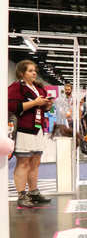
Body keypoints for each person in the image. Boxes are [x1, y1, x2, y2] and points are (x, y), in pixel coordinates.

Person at [8, 60, 53, 208]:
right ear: (22, 73)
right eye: (30, 70)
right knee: (23, 163)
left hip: (38, 128)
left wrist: (47, 105)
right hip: (23, 129)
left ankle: (34, 192)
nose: (34, 73)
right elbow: (12, 106)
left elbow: (42, 108)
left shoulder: (39, 88)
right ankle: (21, 195)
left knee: (35, 162)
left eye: (35, 70)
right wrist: (34, 103)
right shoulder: (16, 87)